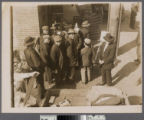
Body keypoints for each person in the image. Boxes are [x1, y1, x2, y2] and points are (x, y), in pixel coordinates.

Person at [23, 36, 49, 106]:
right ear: (31, 43)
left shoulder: (25, 50)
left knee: (39, 83)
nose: (34, 43)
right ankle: (40, 99)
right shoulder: (32, 51)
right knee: (40, 83)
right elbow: (37, 63)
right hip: (37, 69)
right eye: (33, 42)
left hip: (32, 68)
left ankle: (43, 93)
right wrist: (43, 64)